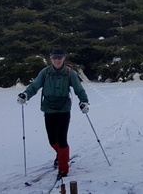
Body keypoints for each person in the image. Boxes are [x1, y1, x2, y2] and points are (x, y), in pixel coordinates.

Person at [16, 48, 89, 178]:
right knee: (52, 140)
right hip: (49, 108)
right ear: (51, 59)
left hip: (64, 109)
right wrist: (26, 95)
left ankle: (63, 168)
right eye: (54, 58)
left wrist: (84, 101)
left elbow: (79, 89)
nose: (57, 60)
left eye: (59, 58)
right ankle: (60, 155)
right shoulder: (45, 72)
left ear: (64, 59)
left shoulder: (69, 73)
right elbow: (35, 86)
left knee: (61, 139)